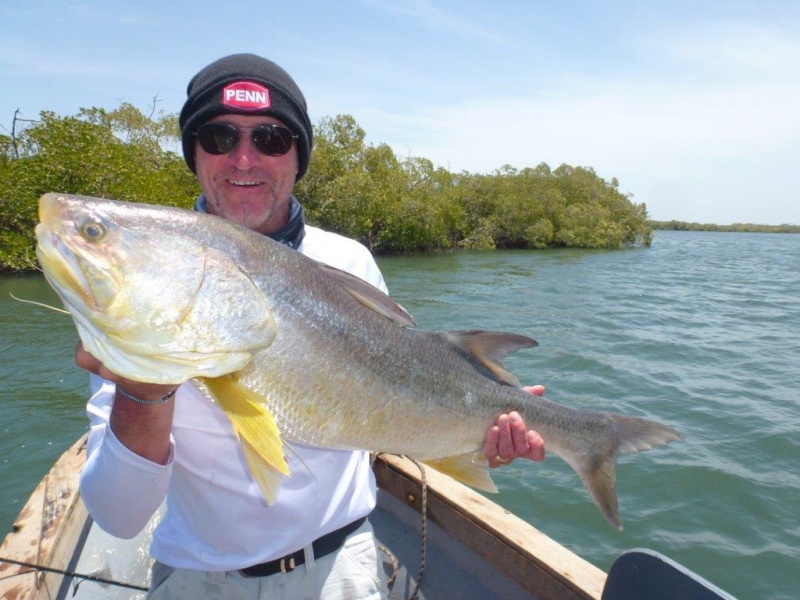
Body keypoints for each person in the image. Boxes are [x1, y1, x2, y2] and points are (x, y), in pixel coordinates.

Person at [75, 53, 546, 599]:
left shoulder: (349, 262)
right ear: (193, 153)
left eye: (271, 139)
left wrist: (480, 437)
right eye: (219, 136)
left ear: (298, 156)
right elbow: (119, 516)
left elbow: (391, 402)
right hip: (195, 575)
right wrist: (142, 394)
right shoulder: (150, 277)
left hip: (340, 564)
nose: (244, 158)